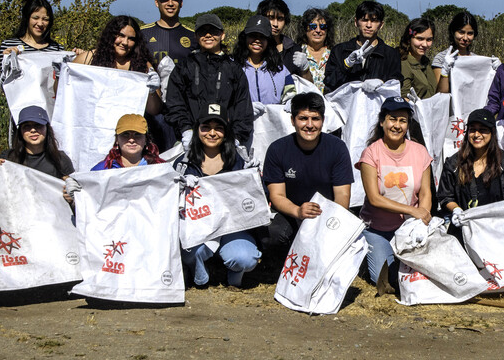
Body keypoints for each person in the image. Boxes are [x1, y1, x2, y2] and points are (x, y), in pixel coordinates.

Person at [172, 104, 260, 289]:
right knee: (190, 252)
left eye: (218, 128)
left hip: (231, 227)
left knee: (244, 258)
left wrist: (255, 179)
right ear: (197, 130)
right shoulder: (182, 163)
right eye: (206, 127)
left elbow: (257, 200)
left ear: (226, 132)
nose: (212, 133)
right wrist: (176, 188)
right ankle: (199, 273)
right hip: (198, 227)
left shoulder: (239, 160)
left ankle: (234, 278)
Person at [261, 93, 353, 265]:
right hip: (291, 212)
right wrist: (298, 211)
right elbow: (277, 196)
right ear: (292, 120)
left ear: (323, 121)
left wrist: (328, 221)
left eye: (315, 119)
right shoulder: (277, 149)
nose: (309, 125)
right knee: (272, 235)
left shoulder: (337, 148)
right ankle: (283, 263)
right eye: (303, 118)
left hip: (326, 214)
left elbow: (342, 196)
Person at [356, 97, 433, 286]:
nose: (397, 125)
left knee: (422, 275)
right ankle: (368, 256)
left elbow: (425, 192)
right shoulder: (371, 153)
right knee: (384, 279)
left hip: (409, 228)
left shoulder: (420, 151)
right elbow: (374, 198)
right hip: (377, 229)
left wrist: (421, 218)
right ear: (382, 122)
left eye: (403, 120)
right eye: (392, 119)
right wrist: (412, 210)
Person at [165, 13, 253, 149]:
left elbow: (243, 108)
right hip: (191, 141)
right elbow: (175, 104)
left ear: (222, 35)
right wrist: (186, 131)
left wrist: (235, 138)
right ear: (196, 36)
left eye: (213, 31)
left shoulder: (234, 69)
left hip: (225, 141)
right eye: (202, 32)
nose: (208, 35)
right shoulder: (184, 67)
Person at [437, 109, 504, 233]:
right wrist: (456, 210)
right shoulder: (454, 164)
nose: (476, 135)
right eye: (472, 129)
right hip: (464, 231)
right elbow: (445, 196)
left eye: (483, 130)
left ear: (492, 133)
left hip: (498, 231)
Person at [74, 16, 163, 117]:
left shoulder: (143, 65)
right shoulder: (87, 59)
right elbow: (62, 92)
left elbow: (154, 110)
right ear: (110, 35)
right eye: (121, 35)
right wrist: (60, 75)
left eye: (131, 39)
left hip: (128, 130)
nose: (125, 42)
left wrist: (152, 92)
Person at [324, 0, 401, 92]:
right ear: (356, 22)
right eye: (364, 20)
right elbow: (329, 82)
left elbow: (396, 85)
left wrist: (382, 83)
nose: (369, 25)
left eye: (374, 21)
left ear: (381, 25)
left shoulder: (391, 54)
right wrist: (346, 65)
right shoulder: (340, 50)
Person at [0, 106, 75, 181]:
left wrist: (69, 192)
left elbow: (74, 189)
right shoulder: (8, 158)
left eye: (38, 125)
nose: (33, 130)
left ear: (47, 129)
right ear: (20, 131)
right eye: (27, 126)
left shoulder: (60, 160)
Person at [233, 15, 294, 105]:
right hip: (242, 118)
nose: (257, 40)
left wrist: (291, 103)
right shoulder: (232, 66)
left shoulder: (281, 69)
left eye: (262, 37)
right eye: (253, 36)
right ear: (245, 37)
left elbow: (291, 95)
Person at [141, 0, 197, 65]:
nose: (170, 3)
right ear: (157, 2)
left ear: (181, 3)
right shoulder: (142, 33)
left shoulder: (193, 36)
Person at [92, 114, 164, 170]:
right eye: (125, 134)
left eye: (137, 134)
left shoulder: (161, 168)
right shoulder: (101, 170)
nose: (131, 140)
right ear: (117, 139)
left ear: (146, 139)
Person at [256, 0, 305, 75]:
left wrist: (305, 69)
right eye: (271, 18)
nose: (275, 24)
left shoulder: (293, 50)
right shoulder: (253, 47)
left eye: (280, 19)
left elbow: (307, 84)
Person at [432, 11, 479, 94]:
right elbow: (440, 94)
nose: (465, 38)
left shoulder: (477, 59)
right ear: (453, 32)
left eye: (470, 33)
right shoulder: (441, 58)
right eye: (461, 32)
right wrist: (445, 72)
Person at [296, 8, 335, 92]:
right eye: (313, 26)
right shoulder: (297, 53)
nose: (318, 30)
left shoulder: (334, 54)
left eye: (323, 27)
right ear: (305, 30)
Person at [398, 17, 437, 98]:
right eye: (420, 39)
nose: (425, 44)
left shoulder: (425, 61)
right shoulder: (404, 62)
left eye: (429, 40)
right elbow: (404, 96)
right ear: (409, 39)